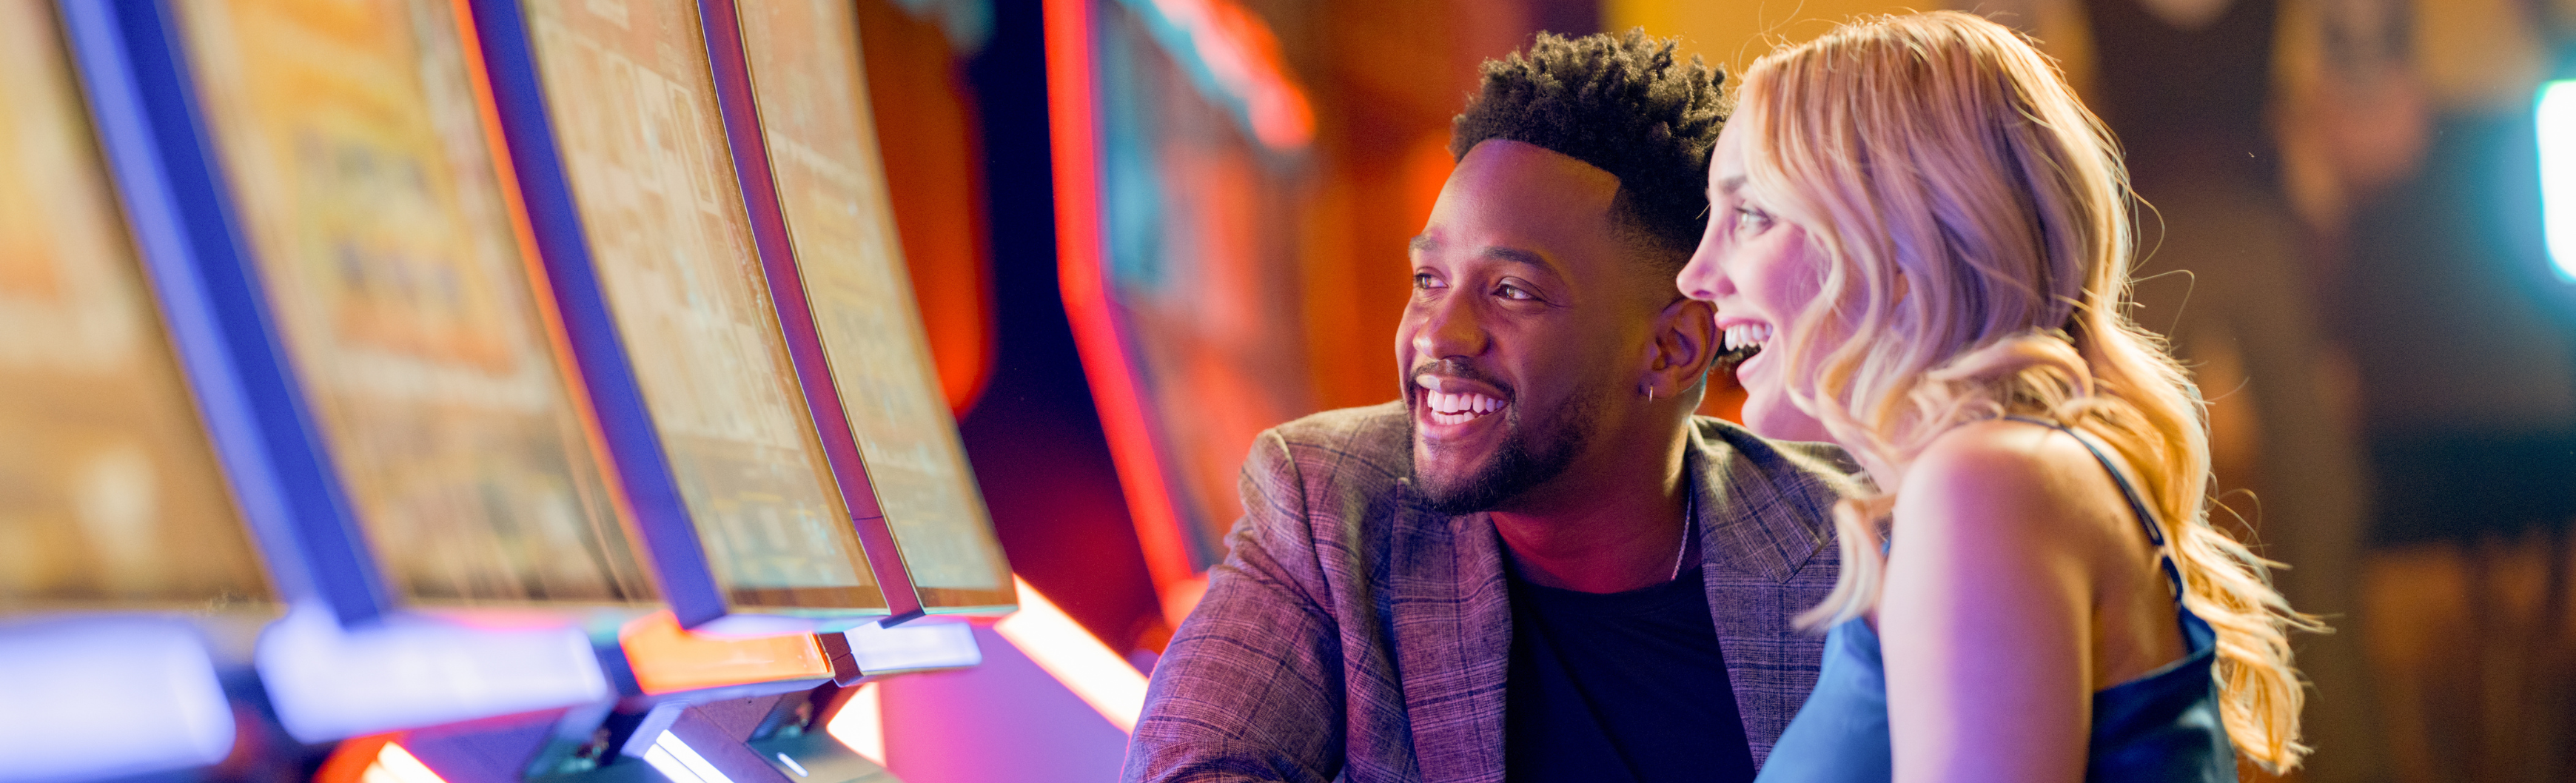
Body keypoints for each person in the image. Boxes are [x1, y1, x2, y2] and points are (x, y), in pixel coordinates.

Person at [1124, 31, 1865, 783]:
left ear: (1673, 348)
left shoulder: (1852, 540)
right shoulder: (1329, 504)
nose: (1438, 335)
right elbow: (1192, 767)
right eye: (1429, 279)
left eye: (1512, 290)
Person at [1674, 12, 2319, 782]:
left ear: (1902, 239)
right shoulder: (1994, 481)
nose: (1696, 275)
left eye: (1751, 214)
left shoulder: (1985, 484)